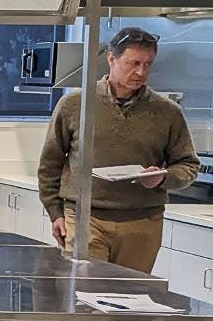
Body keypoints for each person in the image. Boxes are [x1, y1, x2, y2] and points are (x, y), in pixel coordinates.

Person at [37, 25, 198, 272]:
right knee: (84, 295)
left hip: (142, 222)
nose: (141, 72)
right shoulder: (75, 104)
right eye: (133, 63)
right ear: (112, 59)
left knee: (131, 299)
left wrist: (163, 178)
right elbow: (50, 164)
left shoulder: (167, 112)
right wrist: (55, 212)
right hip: (85, 218)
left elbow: (188, 165)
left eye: (147, 64)